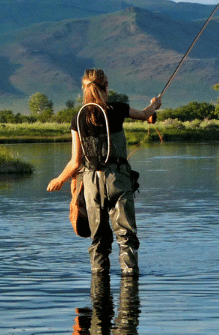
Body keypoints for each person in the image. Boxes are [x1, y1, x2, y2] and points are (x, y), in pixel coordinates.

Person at [47, 69, 161, 276]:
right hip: (118, 179)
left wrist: (59, 180)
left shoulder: (78, 117)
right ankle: (130, 280)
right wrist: (155, 104)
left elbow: (75, 162)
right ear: (105, 87)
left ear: (85, 90)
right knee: (125, 235)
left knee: (98, 237)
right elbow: (145, 115)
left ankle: (99, 284)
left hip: (91, 183)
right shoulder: (116, 109)